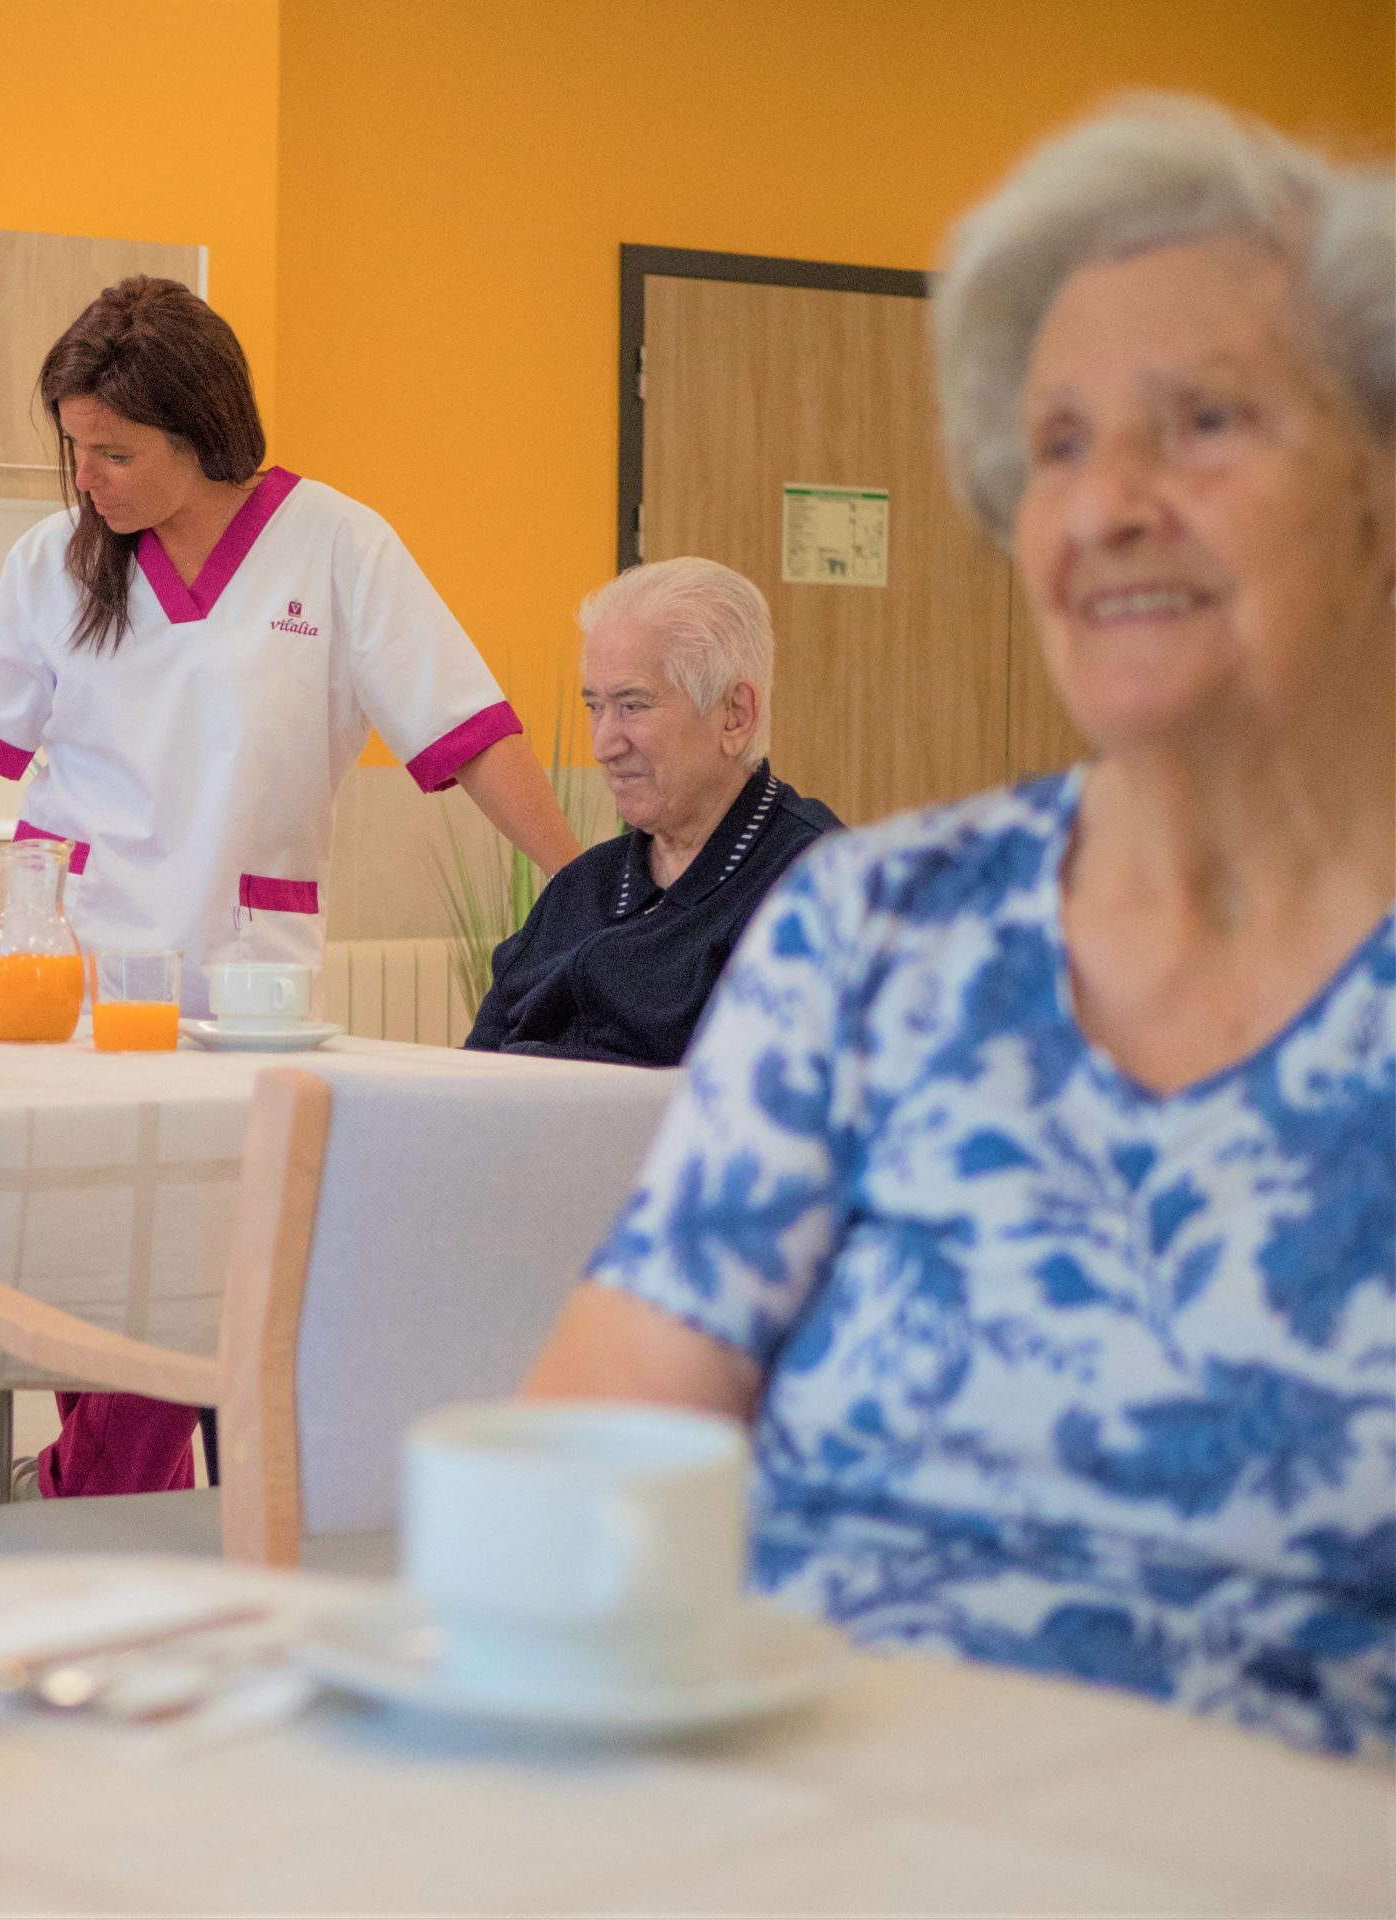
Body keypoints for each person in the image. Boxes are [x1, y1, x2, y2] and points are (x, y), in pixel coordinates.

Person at [524, 95, 1395, 1758]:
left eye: (1203, 419)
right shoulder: (875, 935)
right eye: (1059, 445)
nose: (1108, 502)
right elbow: (592, 1461)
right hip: (798, 1826)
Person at [0, 275, 582, 1500]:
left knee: (184, 1287)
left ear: (200, 433)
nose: (87, 481)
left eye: (113, 452)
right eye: (72, 450)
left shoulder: (336, 547)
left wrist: (588, 887)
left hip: (243, 999)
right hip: (58, 982)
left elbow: (468, 735)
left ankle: (75, 1509)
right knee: (82, 1286)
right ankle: (97, 1512)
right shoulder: (53, 564)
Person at [465, 558, 839, 1065]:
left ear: (735, 715)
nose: (603, 745)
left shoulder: (813, 886)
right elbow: (472, 1067)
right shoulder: (583, 887)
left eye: (633, 706)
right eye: (594, 706)